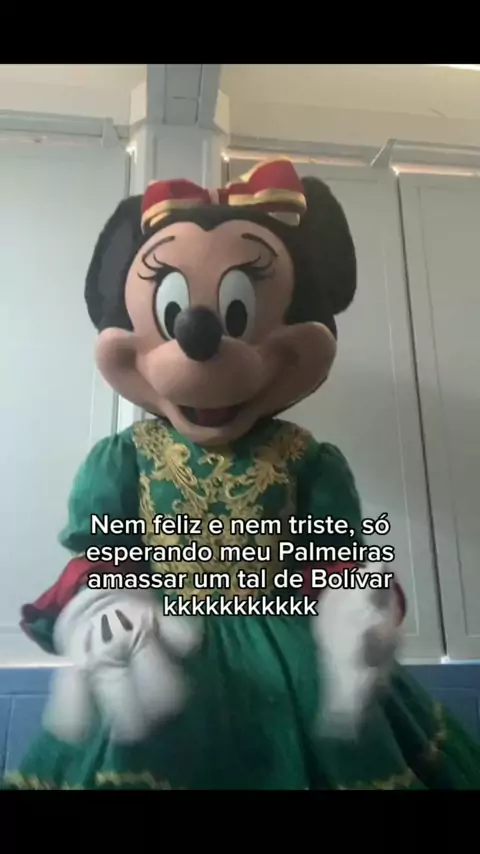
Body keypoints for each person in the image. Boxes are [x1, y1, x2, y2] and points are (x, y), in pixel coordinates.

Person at [4, 160, 479, 790]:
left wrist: (355, 608)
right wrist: (102, 607)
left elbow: (335, 560)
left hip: (296, 659)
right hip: (161, 648)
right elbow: (103, 557)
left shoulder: (307, 458)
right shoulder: (124, 458)